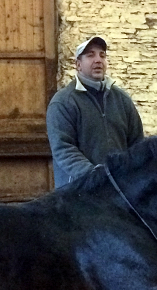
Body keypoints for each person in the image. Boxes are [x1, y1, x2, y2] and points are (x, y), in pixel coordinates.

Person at [46, 36, 144, 187]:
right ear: (78, 65)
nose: (98, 60)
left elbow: (137, 144)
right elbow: (63, 148)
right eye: (90, 55)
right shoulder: (63, 102)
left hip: (118, 193)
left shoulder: (122, 100)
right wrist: (95, 176)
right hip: (77, 194)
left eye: (102, 55)